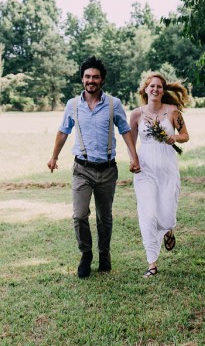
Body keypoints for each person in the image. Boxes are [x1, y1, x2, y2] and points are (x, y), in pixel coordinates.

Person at [48, 56, 140, 278]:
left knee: (104, 217)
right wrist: (54, 157)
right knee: (79, 215)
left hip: (107, 170)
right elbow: (63, 131)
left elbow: (125, 130)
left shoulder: (113, 104)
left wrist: (133, 157)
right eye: (88, 76)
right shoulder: (72, 105)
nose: (91, 80)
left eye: (95, 77)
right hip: (82, 168)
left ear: (102, 80)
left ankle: (104, 254)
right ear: (82, 79)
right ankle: (86, 254)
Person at [129, 72, 190, 278]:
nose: (155, 89)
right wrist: (133, 161)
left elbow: (185, 135)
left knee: (166, 214)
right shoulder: (136, 114)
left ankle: (168, 230)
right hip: (145, 169)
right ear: (145, 90)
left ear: (163, 91)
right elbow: (131, 142)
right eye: (151, 86)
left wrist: (175, 137)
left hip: (167, 168)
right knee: (147, 214)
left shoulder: (172, 111)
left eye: (159, 87)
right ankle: (152, 263)